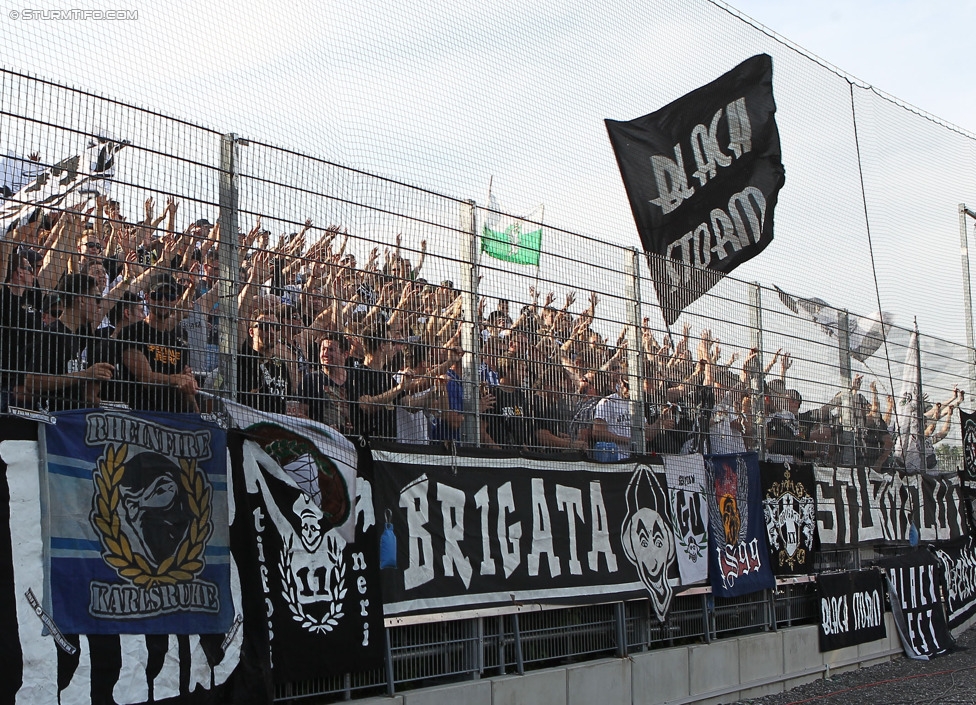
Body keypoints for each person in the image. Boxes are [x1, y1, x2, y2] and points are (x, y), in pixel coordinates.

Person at [25, 273, 115, 411]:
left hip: (69, 421)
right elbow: (32, 382)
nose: (99, 305)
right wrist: (86, 374)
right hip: (52, 422)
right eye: (97, 299)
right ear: (82, 300)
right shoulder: (53, 335)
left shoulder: (75, 334)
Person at [117, 278, 198, 412]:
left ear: (175, 299)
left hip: (173, 416)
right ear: (148, 298)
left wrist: (197, 414)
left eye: (169, 296)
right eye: (157, 295)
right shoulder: (132, 332)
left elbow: (185, 384)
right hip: (142, 415)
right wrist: (178, 379)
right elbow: (146, 378)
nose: (163, 300)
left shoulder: (178, 339)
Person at [238, 314, 292, 415]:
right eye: (265, 327)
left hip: (280, 425)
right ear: (251, 332)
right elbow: (239, 315)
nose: (271, 331)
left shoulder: (281, 365)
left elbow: (288, 399)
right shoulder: (245, 357)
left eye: (275, 327)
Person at [300, 332, 351, 431]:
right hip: (322, 441)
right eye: (323, 349)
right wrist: (323, 429)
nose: (325, 354)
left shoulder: (355, 380)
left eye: (331, 350)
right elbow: (300, 414)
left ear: (345, 354)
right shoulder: (311, 380)